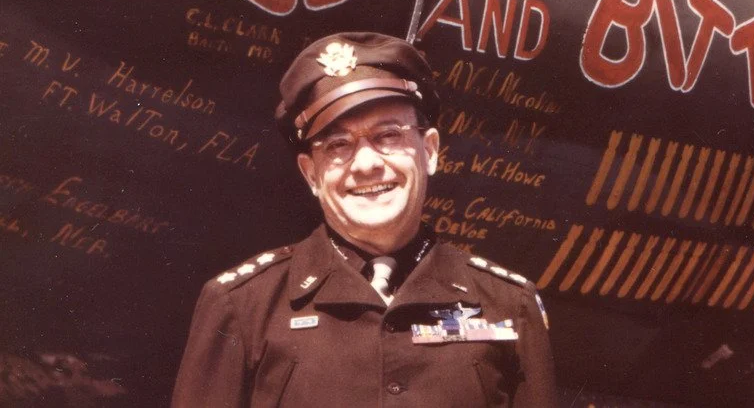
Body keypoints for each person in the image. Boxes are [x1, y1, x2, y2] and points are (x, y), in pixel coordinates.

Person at [171, 32, 556, 407]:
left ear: (430, 151)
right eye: (338, 144)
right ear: (311, 174)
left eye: (388, 136)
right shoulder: (243, 306)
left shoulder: (508, 304)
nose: (367, 164)